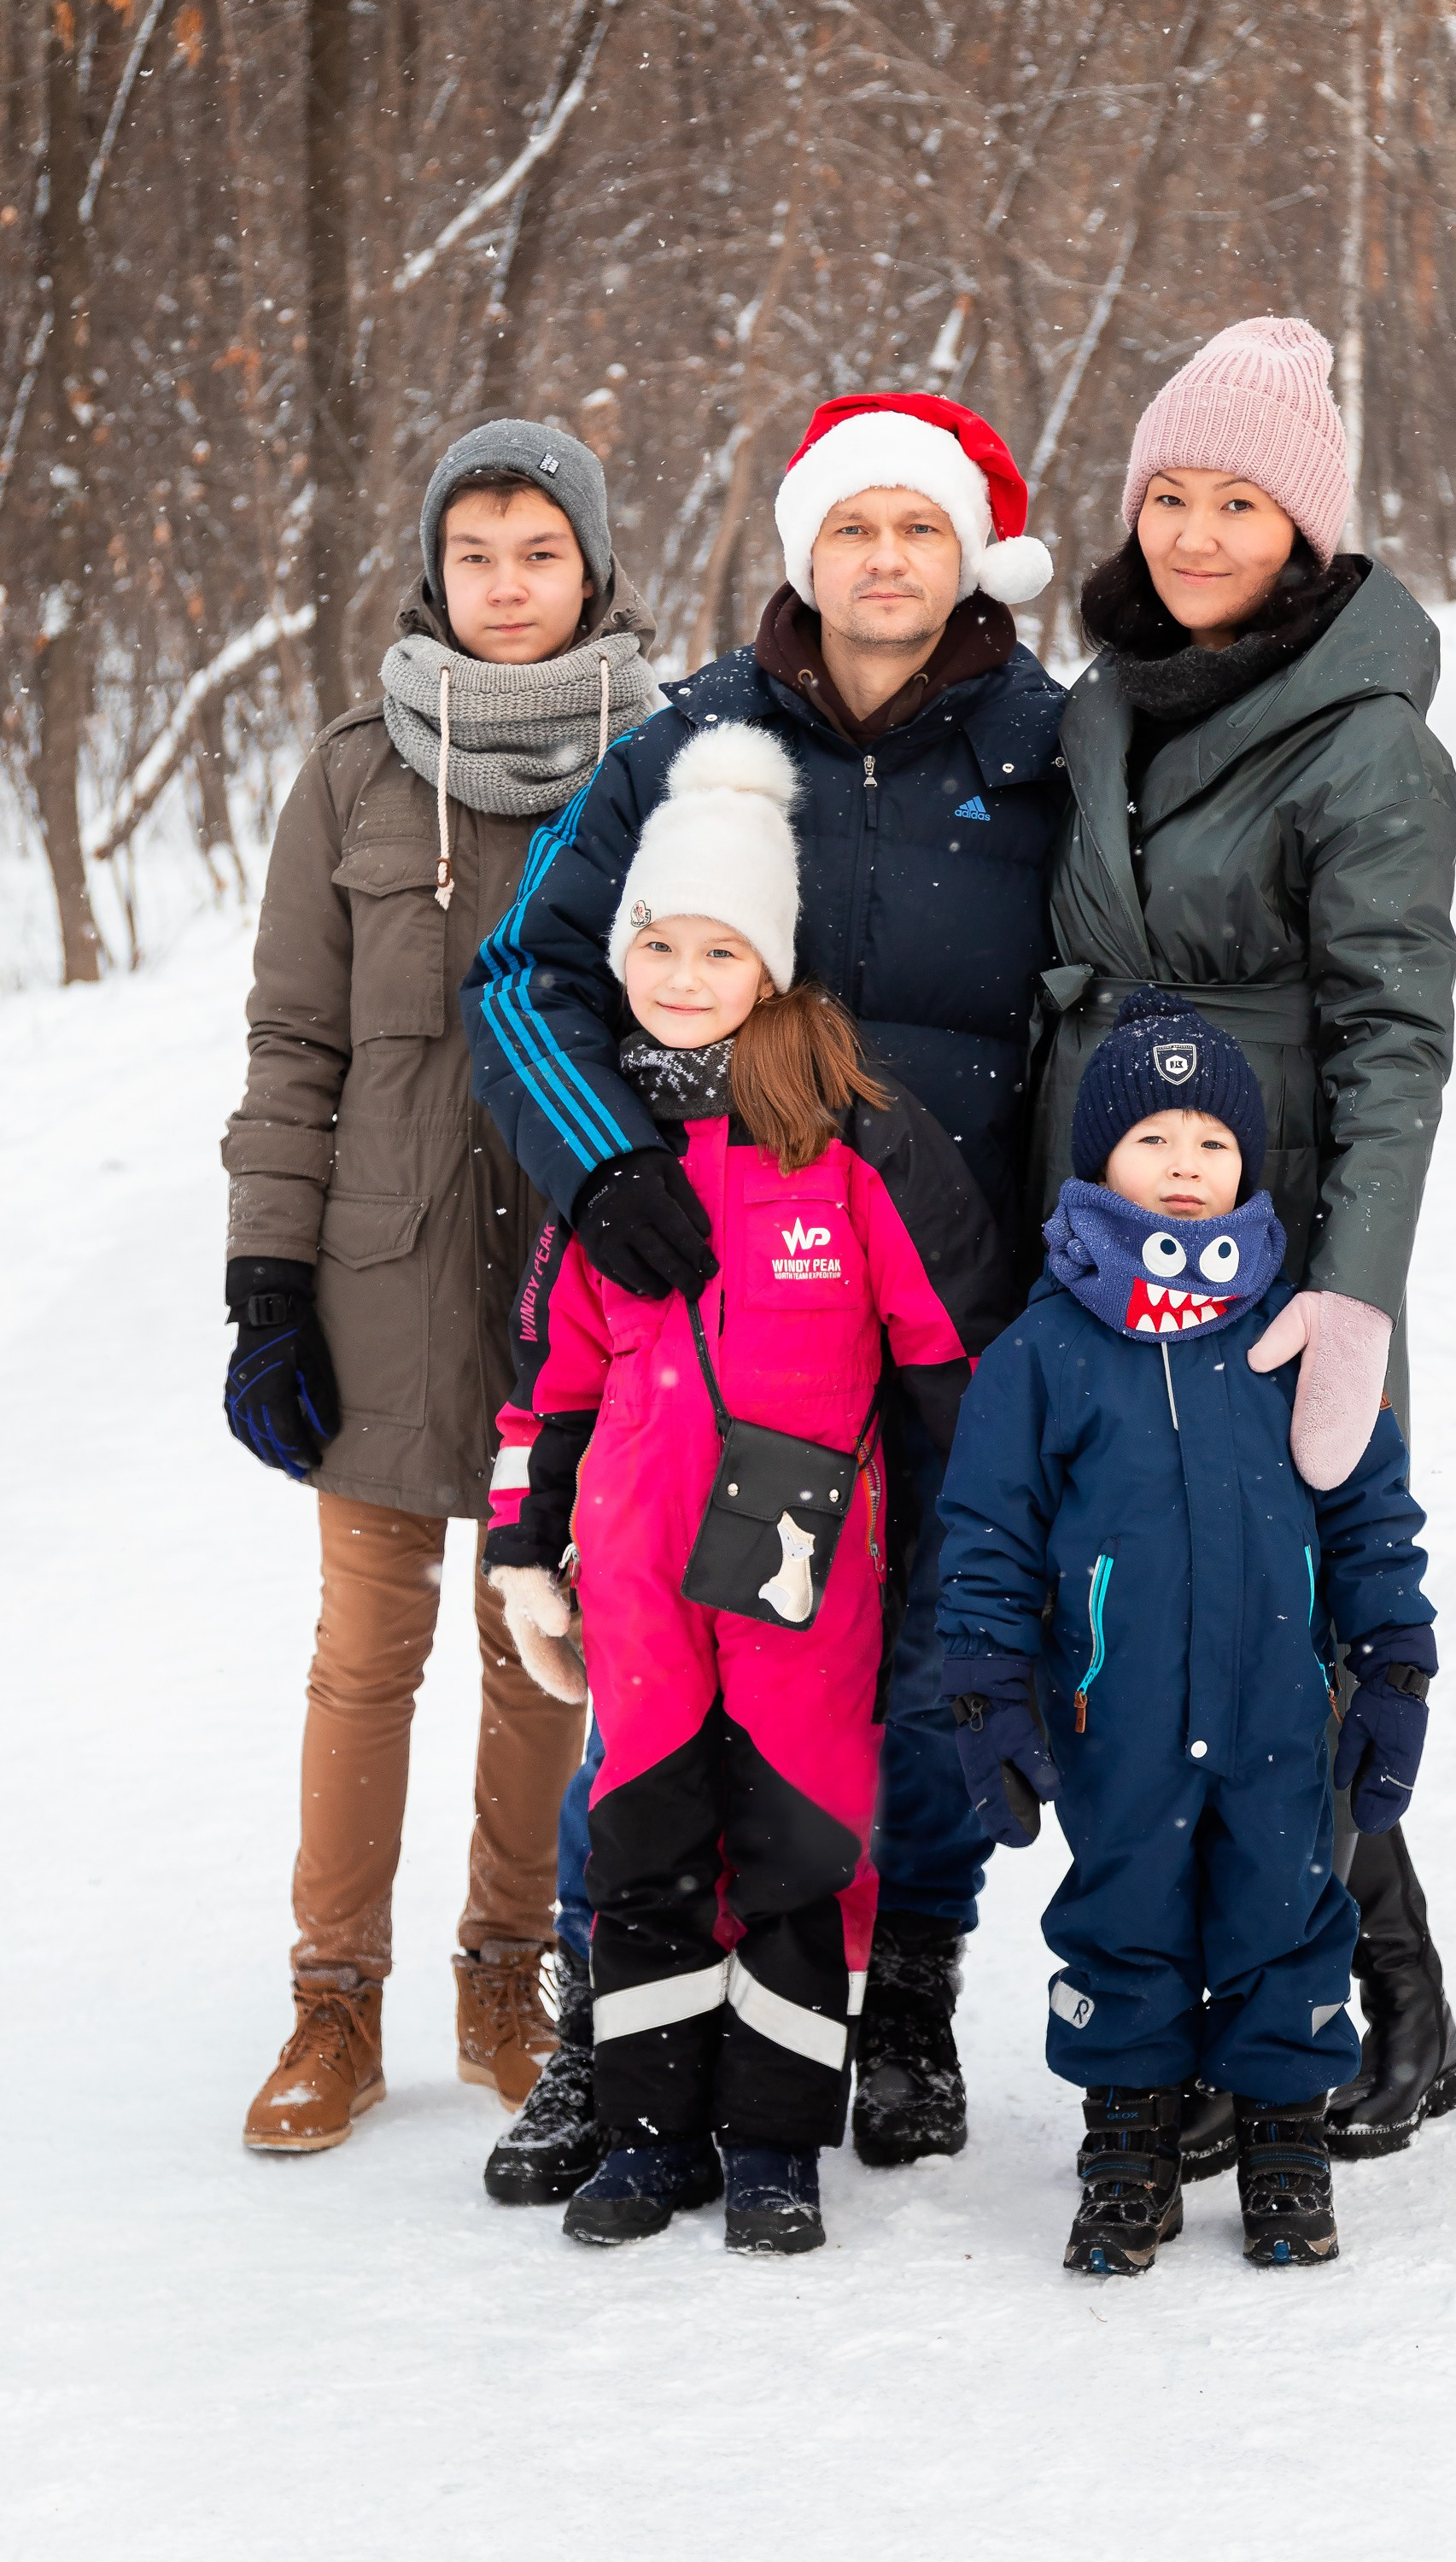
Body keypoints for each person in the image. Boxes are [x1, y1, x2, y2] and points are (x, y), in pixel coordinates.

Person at [462, 392, 1066, 2199]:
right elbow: (526, 975)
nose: (884, 562)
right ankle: (611, 2018)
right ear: (803, 549)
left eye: (920, 528)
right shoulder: (688, 739)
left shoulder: (1051, 744)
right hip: (719, 1298)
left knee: (927, 1647)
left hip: (958, 1290)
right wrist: (606, 1164)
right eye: (851, 528)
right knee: (665, 1655)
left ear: (970, 555)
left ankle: (904, 1997)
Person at [479, 724, 1006, 2254]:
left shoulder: (849, 1146)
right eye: (659, 943)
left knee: (797, 1848)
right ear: (626, 954)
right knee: (643, 1843)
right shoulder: (606, 1164)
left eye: (721, 948)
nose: (686, 973)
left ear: (770, 967)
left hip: (801, 1578)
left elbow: (941, 1370)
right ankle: (649, 2139)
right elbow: (548, 1384)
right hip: (639, 1580)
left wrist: (951, 1567)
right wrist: (526, 1543)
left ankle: (774, 2142)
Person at [1032, 318, 1456, 2172]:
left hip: (1269, 1239)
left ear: (1308, 533)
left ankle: (1397, 2007)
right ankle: (1222, 2014)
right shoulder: (1106, 697)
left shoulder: (1367, 747)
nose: (1199, 534)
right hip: (1104, 1238)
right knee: (1145, 1631)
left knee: (1288, 1632)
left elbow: (1392, 1033)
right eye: (1171, 497)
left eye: (1242, 504)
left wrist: (1351, 1286)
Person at [224, 418, 661, 2152]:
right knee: (366, 1656)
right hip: (381, 1277)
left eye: (537, 555)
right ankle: (332, 2005)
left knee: (537, 1644)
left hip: (578, 1289)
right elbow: (294, 1042)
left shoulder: (661, 759)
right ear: (433, 568)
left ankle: (507, 1971)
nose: (504, 587)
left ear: (592, 571)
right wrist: (266, 1276)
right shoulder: (349, 773)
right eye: (474, 554)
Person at [939, 990, 1437, 2273]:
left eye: (1212, 1143)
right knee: (1125, 1913)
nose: (1183, 1167)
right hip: (1120, 1708)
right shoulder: (1044, 1354)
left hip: (1280, 1698)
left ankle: (1284, 2131)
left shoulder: (1303, 1339)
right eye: (1152, 1139)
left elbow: (1373, 1512)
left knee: (1289, 1904)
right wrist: (989, 1684)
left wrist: (1394, 1664)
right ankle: (1129, 2139)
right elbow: (988, 1531)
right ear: (1098, 1159)